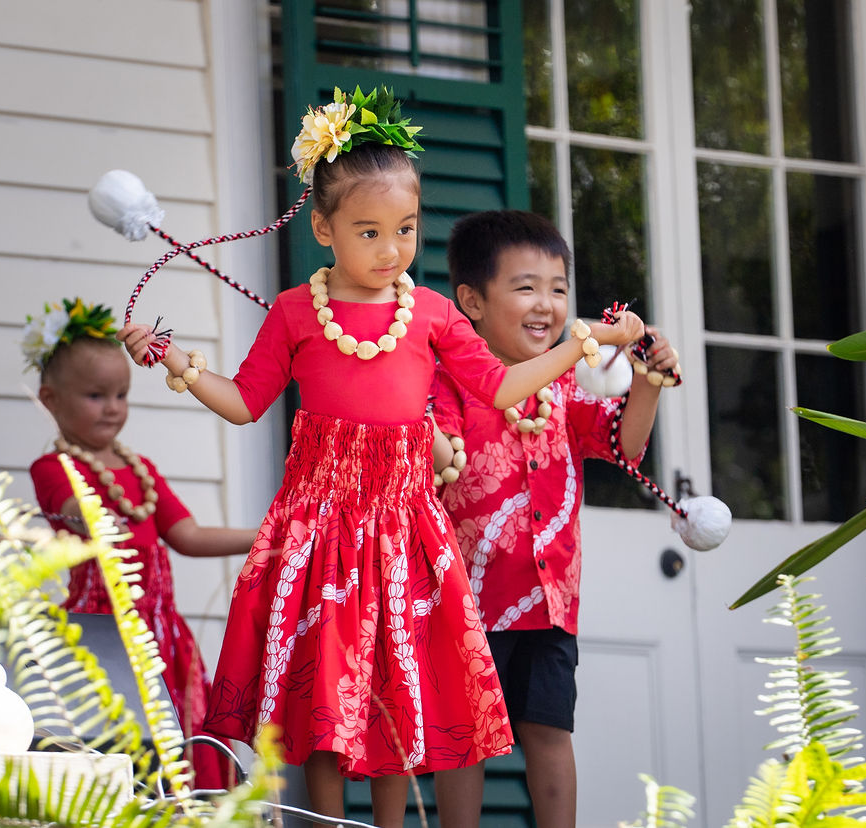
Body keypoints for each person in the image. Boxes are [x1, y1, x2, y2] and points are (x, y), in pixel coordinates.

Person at [116, 89, 646, 828]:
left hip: (404, 529)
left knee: (398, 694)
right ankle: (325, 822)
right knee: (326, 694)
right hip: (321, 528)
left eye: (406, 229)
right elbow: (243, 401)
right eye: (369, 232)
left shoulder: (430, 312)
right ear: (324, 228)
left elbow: (498, 387)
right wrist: (176, 361)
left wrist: (581, 343)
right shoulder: (295, 312)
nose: (392, 249)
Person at [426, 209, 679, 828]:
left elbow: (623, 445)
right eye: (525, 287)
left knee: (549, 730)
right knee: (466, 737)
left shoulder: (563, 389)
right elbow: (436, 460)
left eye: (558, 289)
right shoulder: (450, 383)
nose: (546, 304)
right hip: (467, 599)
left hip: (549, 598)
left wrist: (647, 380)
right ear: (472, 302)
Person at [24, 297, 256, 790]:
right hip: (101, 633)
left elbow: (188, 536)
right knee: (117, 743)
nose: (112, 407)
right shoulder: (55, 468)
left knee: (182, 742)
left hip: (162, 637)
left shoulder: (141, 469)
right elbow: (76, 509)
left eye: (121, 394)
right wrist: (92, 515)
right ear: (50, 399)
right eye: (95, 395)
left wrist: (264, 538)